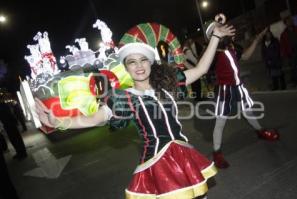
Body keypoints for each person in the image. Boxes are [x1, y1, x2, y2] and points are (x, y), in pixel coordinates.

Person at [35, 14, 235, 199]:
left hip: (183, 153)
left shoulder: (168, 84)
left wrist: (216, 36)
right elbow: (94, 118)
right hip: (158, 162)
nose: (139, 66)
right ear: (126, 67)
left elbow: (201, 69)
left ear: (150, 62)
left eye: (143, 60)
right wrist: (59, 121)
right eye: (132, 62)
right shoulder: (125, 98)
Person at [209, 27, 280, 169]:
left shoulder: (232, 45)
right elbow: (202, 68)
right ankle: (217, 153)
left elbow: (245, 56)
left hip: (238, 86)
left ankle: (261, 132)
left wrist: (256, 40)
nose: (228, 31)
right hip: (224, 89)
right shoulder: (213, 52)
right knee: (220, 122)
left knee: (248, 112)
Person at [0, 89, 27, 160]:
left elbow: (9, 115)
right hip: (9, 124)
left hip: (10, 125)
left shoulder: (3, 105)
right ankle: (20, 152)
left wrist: (14, 122)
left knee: (15, 139)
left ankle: (22, 153)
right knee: (15, 139)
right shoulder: (4, 105)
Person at [280, 16, 297, 87]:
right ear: (285, 23)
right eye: (288, 21)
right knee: (293, 66)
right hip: (292, 51)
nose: (290, 22)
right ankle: (295, 80)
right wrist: (285, 54)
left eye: (291, 20)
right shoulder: (284, 34)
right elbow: (283, 45)